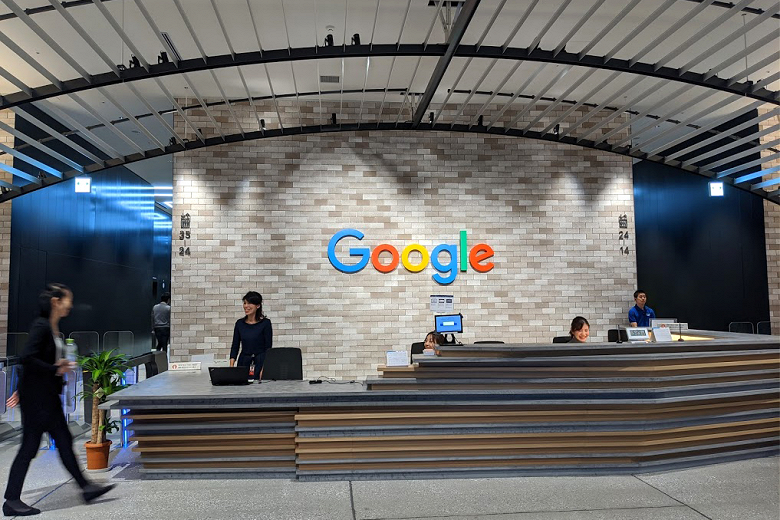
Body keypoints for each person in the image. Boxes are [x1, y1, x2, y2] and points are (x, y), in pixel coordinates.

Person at [3, 284, 115, 517]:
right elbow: (27, 358)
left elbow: (36, 360)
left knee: (64, 441)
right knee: (30, 447)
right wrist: (55, 369)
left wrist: (57, 367)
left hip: (46, 397)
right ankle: (11, 499)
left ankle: (86, 488)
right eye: (68, 300)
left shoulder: (51, 327)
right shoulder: (42, 326)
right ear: (56, 301)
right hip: (38, 400)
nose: (70, 305)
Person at [229, 291, 272, 380]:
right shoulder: (239, 323)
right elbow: (235, 346)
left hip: (260, 361)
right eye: (245, 303)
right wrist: (231, 367)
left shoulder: (265, 323)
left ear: (258, 306)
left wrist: (264, 368)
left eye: (249, 303)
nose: (246, 306)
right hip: (243, 361)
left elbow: (268, 348)